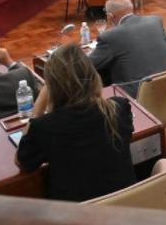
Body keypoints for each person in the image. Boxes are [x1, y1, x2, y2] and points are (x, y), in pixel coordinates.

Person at [16, 43, 135, 201]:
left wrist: (37, 109)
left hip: (75, 216)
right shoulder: (118, 108)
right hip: (126, 209)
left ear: (53, 88)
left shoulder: (43, 127)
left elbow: (22, 161)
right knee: (164, 164)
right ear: (93, 76)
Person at [88, 0, 166, 98]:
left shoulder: (110, 36)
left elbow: (89, 64)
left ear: (110, 16)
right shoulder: (155, 21)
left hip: (137, 95)